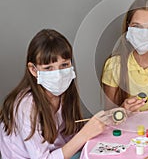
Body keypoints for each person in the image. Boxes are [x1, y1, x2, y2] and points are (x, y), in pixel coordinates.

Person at [0, 29, 121, 159]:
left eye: (64, 65)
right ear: (33, 70)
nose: (58, 75)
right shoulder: (26, 107)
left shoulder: (63, 94)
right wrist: (84, 134)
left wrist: (115, 114)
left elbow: (69, 138)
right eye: (48, 68)